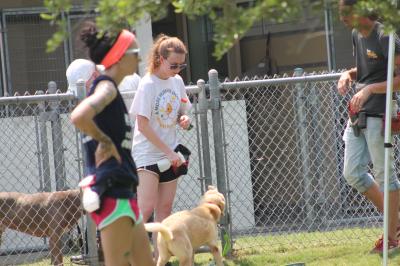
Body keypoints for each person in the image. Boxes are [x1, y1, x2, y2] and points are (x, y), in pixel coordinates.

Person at [70, 22, 154, 266]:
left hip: (126, 193)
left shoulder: (112, 91)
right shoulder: (106, 88)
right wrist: (104, 140)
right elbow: (79, 116)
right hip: (112, 195)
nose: (139, 58)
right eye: (135, 53)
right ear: (118, 56)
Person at [338, 0, 400, 253]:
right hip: (358, 115)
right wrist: (347, 75)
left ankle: (392, 238)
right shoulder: (356, 35)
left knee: (386, 175)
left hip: (380, 112)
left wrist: (371, 90)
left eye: (345, 12)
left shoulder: (385, 35)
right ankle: (396, 221)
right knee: (352, 172)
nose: (341, 17)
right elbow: (365, 70)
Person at [129, 34, 192, 260]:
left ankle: (159, 259)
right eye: (173, 65)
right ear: (159, 59)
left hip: (171, 153)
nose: (177, 69)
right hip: (148, 154)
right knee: (145, 210)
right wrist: (167, 151)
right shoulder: (148, 84)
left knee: (164, 210)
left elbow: (182, 108)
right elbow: (143, 125)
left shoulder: (177, 82)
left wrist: (184, 119)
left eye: (181, 65)